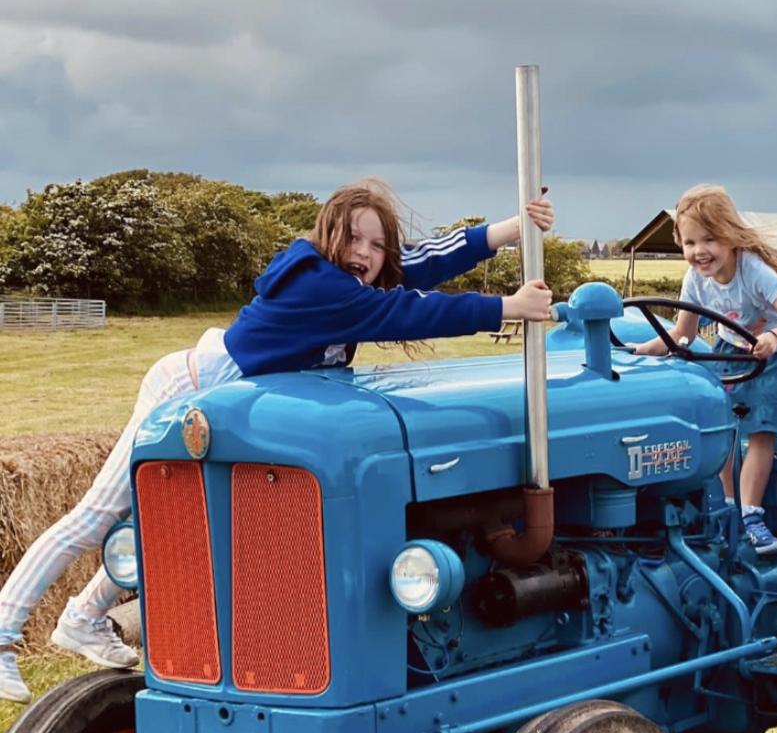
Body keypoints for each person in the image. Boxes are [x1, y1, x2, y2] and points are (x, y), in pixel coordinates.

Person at [0, 180, 555, 704]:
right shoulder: (320, 284)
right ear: (329, 236)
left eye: (377, 244)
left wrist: (507, 230)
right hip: (192, 392)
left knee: (180, 525)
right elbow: (405, 310)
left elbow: (422, 262)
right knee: (99, 512)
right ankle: (4, 628)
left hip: (240, 412)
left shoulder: (356, 281)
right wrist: (505, 307)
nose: (365, 251)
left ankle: (83, 617)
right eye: (354, 237)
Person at [631, 184, 777, 556]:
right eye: (689, 243)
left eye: (709, 239)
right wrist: (640, 351)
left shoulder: (754, 270)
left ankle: (752, 516)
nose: (699, 251)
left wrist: (774, 337)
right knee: (722, 427)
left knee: (759, 428)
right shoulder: (694, 281)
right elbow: (683, 334)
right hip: (734, 353)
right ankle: (726, 508)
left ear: (731, 237)